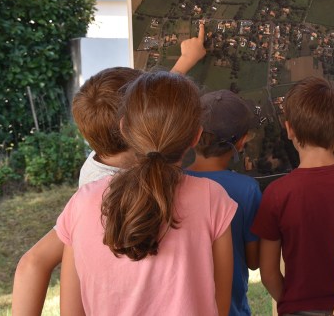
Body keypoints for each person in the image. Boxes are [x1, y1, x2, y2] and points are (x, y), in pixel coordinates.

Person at [12, 26, 208, 316]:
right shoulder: (109, 188)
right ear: (128, 127)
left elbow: (31, 262)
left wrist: (184, 62)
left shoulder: (99, 162)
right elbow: (34, 264)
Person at [56, 71, 236, 315]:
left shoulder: (83, 202)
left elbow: (70, 311)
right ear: (196, 136)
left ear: (124, 129)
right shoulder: (213, 198)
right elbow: (220, 306)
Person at [252, 77, 334, 315]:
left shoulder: (277, 193)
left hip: (299, 308)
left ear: (289, 129)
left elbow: (268, 273)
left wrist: (293, 304)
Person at [186, 89, 262, 316]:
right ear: (241, 142)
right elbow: (253, 261)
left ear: (193, 135)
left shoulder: (170, 181)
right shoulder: (247, 189)